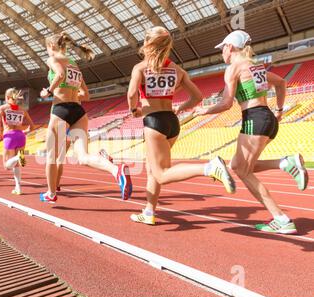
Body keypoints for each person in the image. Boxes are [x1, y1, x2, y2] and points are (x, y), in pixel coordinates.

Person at [194, 30, 309, 234]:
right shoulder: (257, 67)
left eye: (222, 48)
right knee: (237, 165)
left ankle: (281, 218)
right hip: (268, 118)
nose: (222, 52)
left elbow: (226, 103)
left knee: (243, 171)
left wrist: (204, 110)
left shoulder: (233, 68)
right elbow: (281, 83)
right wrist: (280, 111)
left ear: (230, 47)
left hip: (254, 118)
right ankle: (285, 162)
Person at [127, 26, 236, 225]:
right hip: (172, 123)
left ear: (147, 44)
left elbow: (131, 94)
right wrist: (181, 108)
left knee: (161, 173)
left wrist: (133, 109)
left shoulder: (140, 68)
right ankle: (149, 211)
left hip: (153, 122)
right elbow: (197, 97)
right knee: (153, 169)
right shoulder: (177, 70)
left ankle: (209, 167)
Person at [39, 32, 132, 203]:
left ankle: (51, 194)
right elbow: (86, 94)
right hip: (78, 111)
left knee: (51, 157)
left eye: (46, 48)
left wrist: (49, 92)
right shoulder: (74, 64)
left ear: (51, 46)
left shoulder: (53, 59)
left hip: (60, 110)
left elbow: (59, 74)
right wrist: (71, 94)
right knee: (82, 157)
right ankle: (115, 170)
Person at [0, 88, 35, 195]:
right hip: (21, 136)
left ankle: (19, 157)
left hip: (9, 136)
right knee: (16, 165)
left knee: (6, 166)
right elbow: (32, 126)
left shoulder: (3, 108)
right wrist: (25, 131)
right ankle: (18, 188)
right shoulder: (22, 109)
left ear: (7, 97)